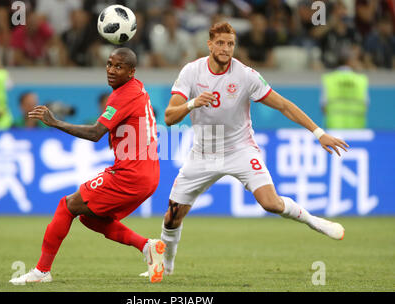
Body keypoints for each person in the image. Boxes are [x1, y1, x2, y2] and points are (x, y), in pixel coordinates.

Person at [146, 22, 349, 277]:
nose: (226, 48)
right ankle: (168, 265)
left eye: (230, 43)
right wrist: (193, 103)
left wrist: (319, 133)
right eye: (220, 43)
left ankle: (314, 222)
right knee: (172, 217)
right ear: (209, 44)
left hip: (240, 149)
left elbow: (283, 105)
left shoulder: (245, 75)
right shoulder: (192, 72)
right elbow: (168, 117)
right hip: (203, 155)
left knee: (271, 204)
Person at [9, 47, 166, 284]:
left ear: (131, 72)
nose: (111, 70)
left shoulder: (124, 95)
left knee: (67, 205)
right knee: (90, 218)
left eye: (119, 67)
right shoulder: (136, 88)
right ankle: (147, 247)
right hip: (147, 174)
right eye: (110, 64)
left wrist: (55, 122)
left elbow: (95, 133)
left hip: (131, 174)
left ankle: (41, 271)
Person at [321, 50, 369, 129]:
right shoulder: (361, 80)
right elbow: (366, 103)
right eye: (355, 60)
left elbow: (323, 105)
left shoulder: (328, 79)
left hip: (334, 126)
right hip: (357, 127)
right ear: (349, 61)